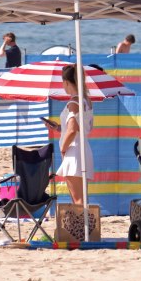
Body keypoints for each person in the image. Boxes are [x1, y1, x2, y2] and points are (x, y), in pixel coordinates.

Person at [55, 64, 95, 205]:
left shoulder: (73, 102)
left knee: (77, 200)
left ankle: (82, 228)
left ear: (66, 82)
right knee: (82, 199)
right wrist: (60, 128)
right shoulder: (86, 101)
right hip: (84, 148)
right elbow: (81, 127)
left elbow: (72, 130)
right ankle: (86, 227)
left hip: (74, 151)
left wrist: (63, 147)